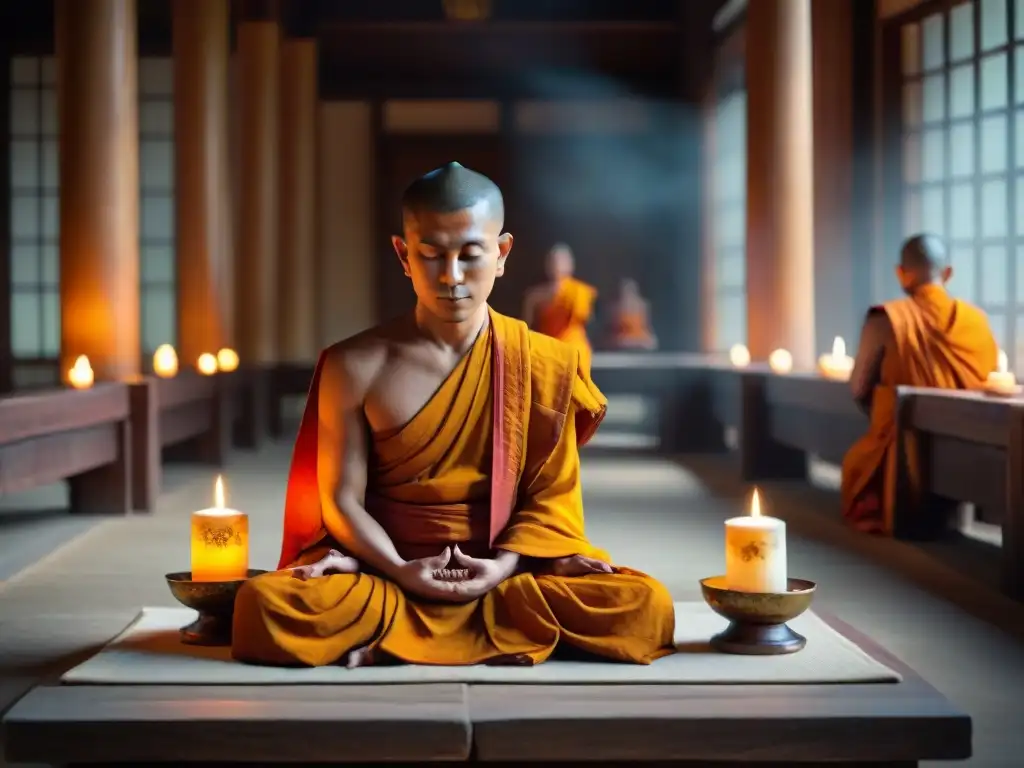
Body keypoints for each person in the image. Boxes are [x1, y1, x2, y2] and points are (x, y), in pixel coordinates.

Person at [231, 162, 675, 668]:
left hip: (503, 576)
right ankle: (472, 622)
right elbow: (340, 499)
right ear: (403, 254)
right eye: (431, 255)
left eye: (470, 254)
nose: (452, 277)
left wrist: (503, 568)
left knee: (645, 606)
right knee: (261, 607)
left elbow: (550, 499)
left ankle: (428, 623)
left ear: (502, 253)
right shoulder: (354, 364)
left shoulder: (546, 362)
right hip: (387, 572)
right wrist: (399, 568)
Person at [841, 233, 998, 535]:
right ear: (948, 273)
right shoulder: (977, 321)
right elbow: (988, 379)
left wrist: (881, 407)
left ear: (901, 272)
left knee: (856, 462)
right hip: (973, 444)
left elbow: (858, 388)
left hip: (902, 449)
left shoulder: (886, 318)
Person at [521, 243, 598, 375]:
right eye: (553, 261)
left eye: (562, 261)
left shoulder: (580, 292)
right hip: (547, 348)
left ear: (570, 265)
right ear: (547, 265)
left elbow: (587, 320)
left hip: (573, 347)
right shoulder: (535, 296)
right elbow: (526, 327)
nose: (557, 265)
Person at [605, 278, 658, 350]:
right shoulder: (614, 307)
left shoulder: (642, 305)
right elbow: (612, 328)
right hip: (620, 340)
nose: (627, 294)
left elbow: (647, 326)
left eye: (630, 291)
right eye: (624, 291)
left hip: (640, 339)